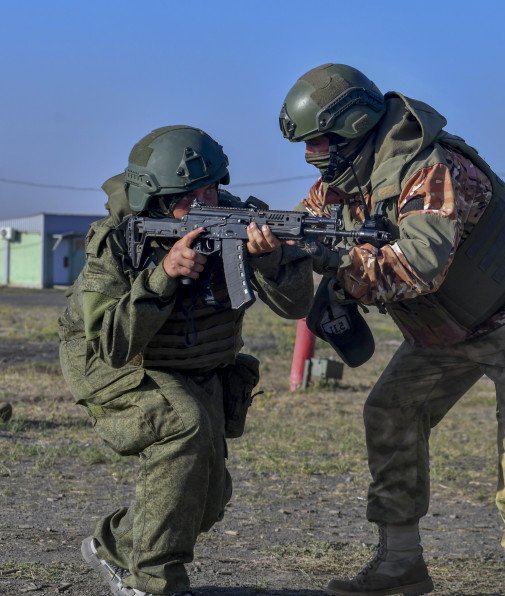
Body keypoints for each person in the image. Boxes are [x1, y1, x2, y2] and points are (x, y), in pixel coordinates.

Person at [279, 63, 505, 596]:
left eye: (321, 142)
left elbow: (417, 267)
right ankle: (400, 564)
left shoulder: (430, 169)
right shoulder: (340, 187)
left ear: (354, 127)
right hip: (450, 323)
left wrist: (333, 260)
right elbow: (301, 229)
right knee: (391, 409)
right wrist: (271, 245)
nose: (314, 156)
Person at [58, 125, 314, 596]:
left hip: (200, 364)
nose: (208, 203)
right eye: (190, 197)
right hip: (118, 362)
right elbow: (112, 344)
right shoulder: (116, 242)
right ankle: (155, 584)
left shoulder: (247, 221)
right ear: (156, 200)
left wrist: (270, 262)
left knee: (207, 499)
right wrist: (162, 276)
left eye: (213, 188)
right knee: (185, 429)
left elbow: (297, 306)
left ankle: (113, 546)